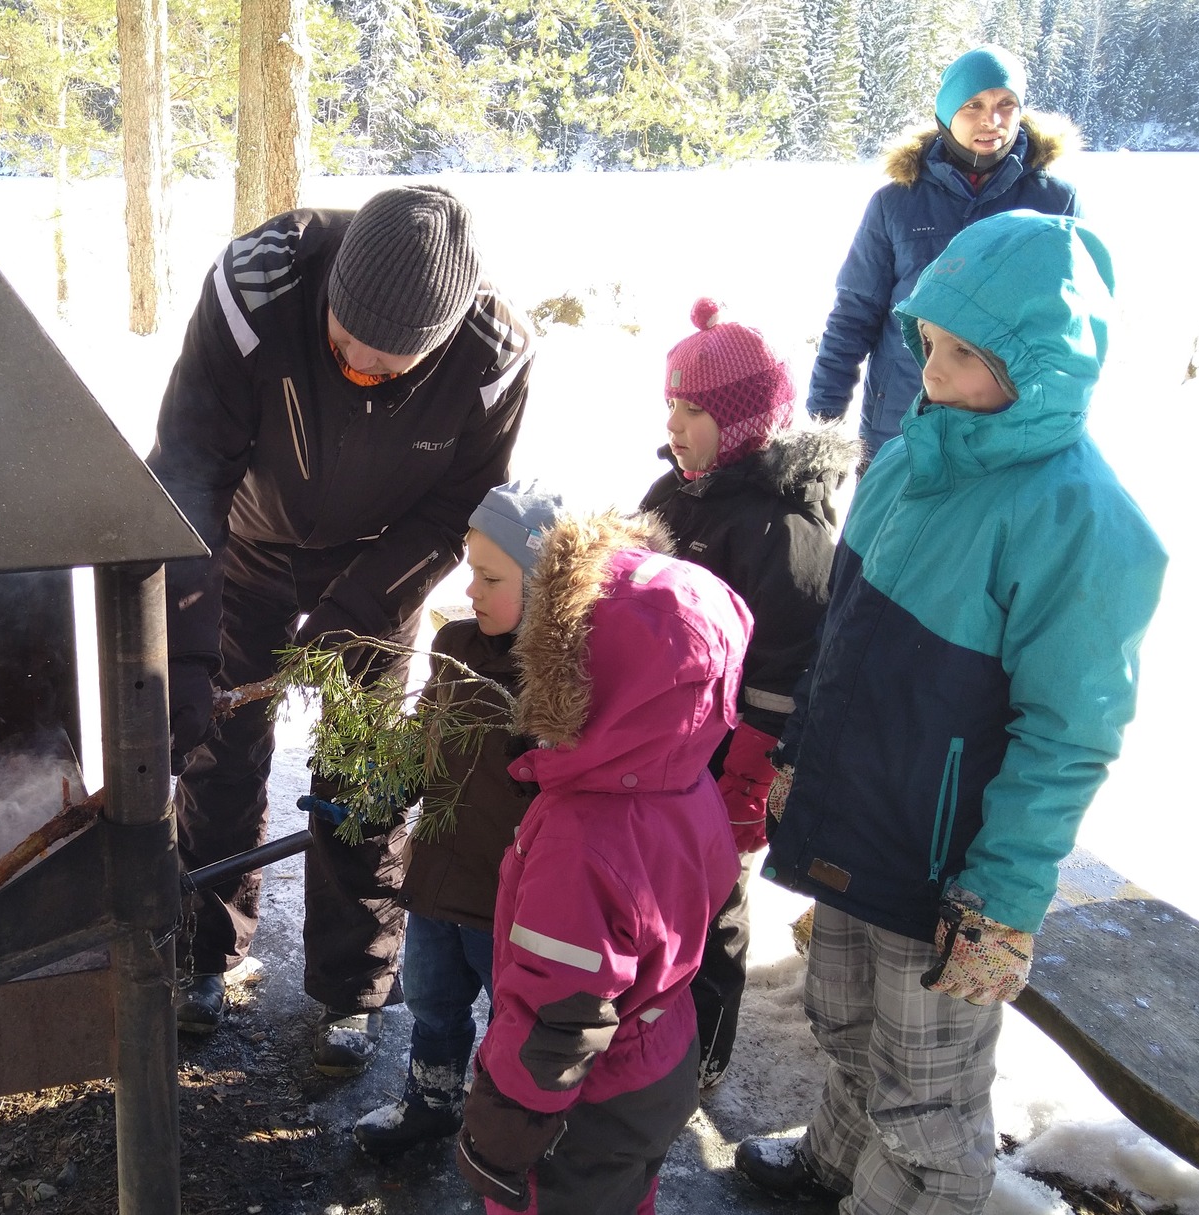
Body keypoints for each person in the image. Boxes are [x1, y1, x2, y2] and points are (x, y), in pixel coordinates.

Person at [736, 210, 1166, 1214]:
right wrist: (799, 760)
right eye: (928, 341)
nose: (932, 371)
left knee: (927, 1096)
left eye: (965, 354)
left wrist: (999, 899)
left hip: (950, 870)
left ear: (1039, 366)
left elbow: (1068, 735)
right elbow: (842, 636)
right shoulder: (906, 462)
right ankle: (839, 1160)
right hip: (857, 820)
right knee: (842, 1019)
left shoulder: (1082, 519)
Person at [147, 184, 535, 1074]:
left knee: (361, 772)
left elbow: (458, 507)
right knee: (220, 747)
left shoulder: (492, 355)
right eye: (344, 342)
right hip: (244, 542)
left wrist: (361, 607)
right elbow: (188, 473)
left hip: (379, 562)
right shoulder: (257, 290)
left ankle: (351, 987)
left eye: (388, 363)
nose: (359, 364)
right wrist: (188, 641)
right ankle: (202, 948)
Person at [454, 508, 750, 1215]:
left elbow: (560, 1008)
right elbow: (717, 903)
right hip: (659, 1053)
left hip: (586, 1099)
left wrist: (504, 1128)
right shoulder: (686, 782)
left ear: (586, 674)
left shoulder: (583, 834)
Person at [637, 299, 862, 1091]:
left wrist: (747, 787)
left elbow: (786, 677)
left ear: (739, 422)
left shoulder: (783, 532)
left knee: (709, 905)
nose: (675, 423)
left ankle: (700, 1049)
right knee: (646, 889)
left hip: (722, 764)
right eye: (671, 403)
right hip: (656, 745)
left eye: (694, 410)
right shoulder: (673, 493)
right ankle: (640, 1028)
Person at [331, 479, 562, 1157]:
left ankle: (507, 1127)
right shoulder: (457, 645)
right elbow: (424, 745)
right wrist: (378, 797)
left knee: (514, 1019)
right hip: (436, 881)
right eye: (471, 571)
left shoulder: (559, 681)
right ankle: (431, 1100)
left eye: (491, 578)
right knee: (432, 1001)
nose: (471, 590)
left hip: (508, 900)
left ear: (545, 585)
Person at [807, 45, 1081, 456]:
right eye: (974, 105)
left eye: (1006, 104)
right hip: (899, 422)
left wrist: (1058, 419)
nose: (992, 120)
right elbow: (854, 313)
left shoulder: (1055, 202)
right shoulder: (896, 202)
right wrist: (822, 420)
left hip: (1006, 430)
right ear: (947, 112)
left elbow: (1069, 326)